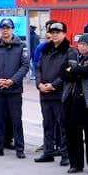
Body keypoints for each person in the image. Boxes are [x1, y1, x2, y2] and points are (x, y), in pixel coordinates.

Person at [61, 33, 88, 175]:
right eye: (80, 44)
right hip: (73, 101)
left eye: (84, 44)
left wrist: (73, 70)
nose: (81, 46)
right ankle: (76, 164)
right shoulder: (74, 57)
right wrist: (73, 71)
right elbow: (63, 74)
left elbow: (86, 71)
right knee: (73, 134)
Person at [0, 18, 29, 158]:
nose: (5, 30)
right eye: (3, 28)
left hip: (14, 89)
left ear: (12, 29)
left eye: (8, 28)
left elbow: (25, 66)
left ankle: (20, 149)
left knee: (16, 120)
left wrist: (12, 80)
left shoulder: (21, 46)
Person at [35, 22, 71, 164]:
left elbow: (68, 72)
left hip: (60, 94)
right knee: (47, 124)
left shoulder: (69, 51)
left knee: (63, 125)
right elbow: (38, 68)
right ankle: (48, 152)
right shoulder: (45, 50)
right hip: (45, 93)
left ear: (64, 34)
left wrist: (53, 85)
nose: (55, 34)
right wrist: (39, 84)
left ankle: (65, 154)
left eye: (58, 32)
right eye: (53, 32)